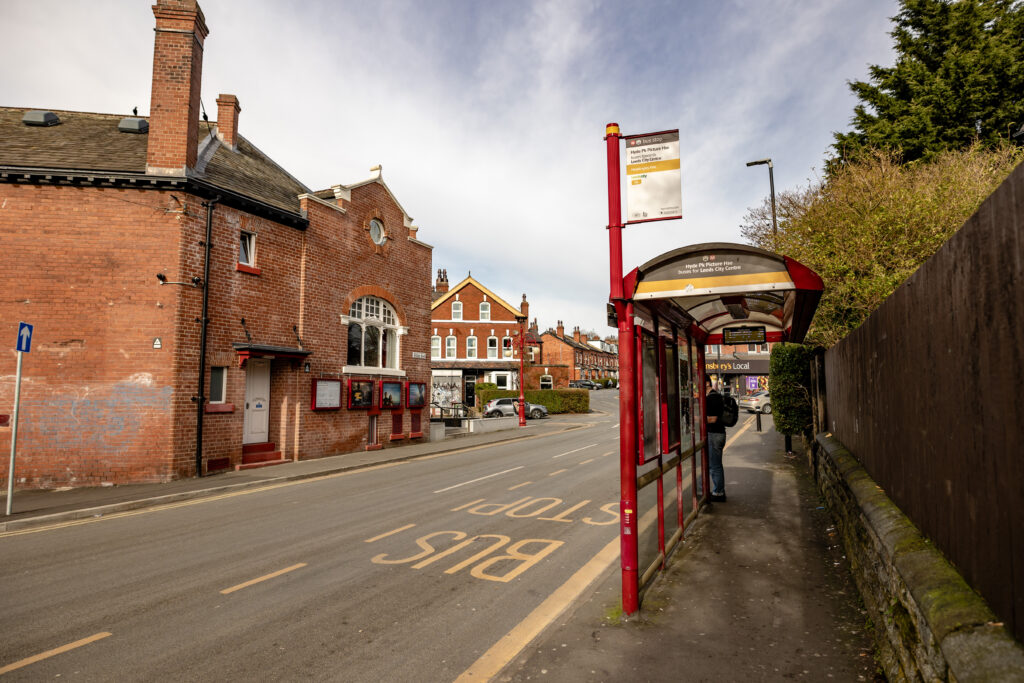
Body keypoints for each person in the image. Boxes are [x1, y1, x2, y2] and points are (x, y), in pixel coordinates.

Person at [705, 376, 727, 502]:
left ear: (707, 383)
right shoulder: (713, 397)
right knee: (712, 464)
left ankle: (719, 492)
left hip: (715, 434)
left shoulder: (713, 398)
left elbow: (712, 419)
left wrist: (696, 419)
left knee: (715, 465)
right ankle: (716, 489)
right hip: (717, 434)